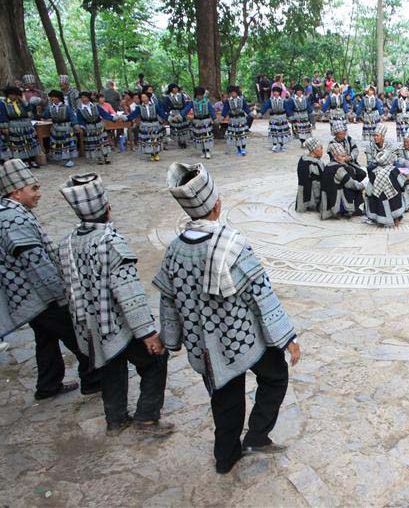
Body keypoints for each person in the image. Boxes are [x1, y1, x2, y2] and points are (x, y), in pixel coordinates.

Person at [154, 162, 300, 474]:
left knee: (225, 400)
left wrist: (171, 339)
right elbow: (261, 294)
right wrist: (287, 338)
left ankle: (226, 457)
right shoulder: (233, 245)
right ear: (217, 205)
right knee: (275, 376)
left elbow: (168, 299)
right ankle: (257, 435)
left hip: (205, 345)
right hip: (244, 337)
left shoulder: (174, 249)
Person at [57, 174, 172, 435]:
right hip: (118, 325)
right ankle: (146, 417)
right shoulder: (111, 244)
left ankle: (116, 418)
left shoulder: (67, 242)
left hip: (91, 325)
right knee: (155, 360)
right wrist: (147, 333)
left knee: (111, 366)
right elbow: (128, 294)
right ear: (107, 210)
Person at [0, 159, 100, 400]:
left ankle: (48, 385)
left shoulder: (10, 213)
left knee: (45, 339)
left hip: (30, 298)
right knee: (78, 336)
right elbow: (37, 265)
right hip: (41, 296)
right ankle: (94, 380)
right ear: (16, 191)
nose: (39, 194)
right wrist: (62, 294)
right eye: (33, 189)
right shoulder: (14, 220)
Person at [321, 141, 366, 219]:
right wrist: (363, 186)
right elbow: (351, 184)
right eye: (342, 156)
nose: (344, 158)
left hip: (328, 198)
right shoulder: (338, 169)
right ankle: (350, 209)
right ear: (335, 156)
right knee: (353, 187)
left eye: (345, 156)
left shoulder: (328, 166)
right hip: (336, 199)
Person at [364, 147, 407, 227]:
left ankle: (380, 222)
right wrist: (403, 189)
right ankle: (396, 221)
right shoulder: (394, 170)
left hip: (379, 197)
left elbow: (370, 187)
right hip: (393, 196)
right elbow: (402, 183)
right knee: (396, 200)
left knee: (377, 200)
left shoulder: (374, 172)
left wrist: (367, 194)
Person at [0, 87, 41, 168]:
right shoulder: (3, 103)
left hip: (26, 124)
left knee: (30, 142)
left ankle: (32, 160)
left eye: (15, 95)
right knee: (19, 144)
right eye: (12, 95)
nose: (14, 97)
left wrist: (23, 100)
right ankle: (24, 161)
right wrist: (5, 127)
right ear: (8, 95)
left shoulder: (21, 101)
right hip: (14, 125)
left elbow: (30, 109)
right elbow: (3, 116)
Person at [76, 91, 118, 166]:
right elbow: (80, 120)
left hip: (99, 126)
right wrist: (82, 126)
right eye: (82, 98)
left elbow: (104, 114)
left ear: (88, 98)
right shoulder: (79, 109)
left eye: (85, 97)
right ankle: (99, 158)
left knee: (103, 142)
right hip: (89, 128)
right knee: (95, 143)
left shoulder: (95, 106)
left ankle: (106, 157)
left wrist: (113, 118)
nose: (83, 99)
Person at [124, 91, 168, 162]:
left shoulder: (154, 106)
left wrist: (169, 117)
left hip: (154, 124)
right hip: (145, 125)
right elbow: (133, 115)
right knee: (148, 140)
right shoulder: (139, 107)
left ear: (148, 98)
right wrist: (124, 118)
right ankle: (151, 154)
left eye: (145, 97)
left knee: (155, 139)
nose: (143, 98)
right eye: (142, 97)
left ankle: (156, 153)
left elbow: (161, 113)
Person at [43, 90, 79, 168]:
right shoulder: (50, 107)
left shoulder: (66, 107)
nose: (53, 99)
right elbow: (45, 116)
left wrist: (76, 125)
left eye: (55, 97)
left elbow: (72, 116)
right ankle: (61, 158)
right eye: (52, 97)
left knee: (67, 143)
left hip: (66, 126)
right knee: (58, 144)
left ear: (59, 98)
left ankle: (68, 159)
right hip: (55, 128)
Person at [182, 87, 218, 160]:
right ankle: (203, 151)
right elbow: (186, 110)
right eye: (198, 95)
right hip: (197, 122)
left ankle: (207, 151)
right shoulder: (193, 102)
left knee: (206, 136)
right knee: (200, 137)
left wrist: (215, 118)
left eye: (201, 95)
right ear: (196, 95)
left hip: (206, 121)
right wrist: (180, 116)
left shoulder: (207, 102)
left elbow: (211, 111)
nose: (200, 97)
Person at [222, 86, 255, 157]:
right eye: (232, 93)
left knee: (242, 134)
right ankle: (238, 149)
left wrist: (251, 114)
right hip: (233, 120)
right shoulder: (228, 101)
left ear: (237, 93)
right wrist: (221, 117)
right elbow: (225, 110)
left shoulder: (242, 99)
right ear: (230, 93)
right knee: (236, 135)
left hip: (241, 119)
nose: (233, 94)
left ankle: (243, 149)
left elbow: (246, 108)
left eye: (234, 93)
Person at [259, 86, 292, 153]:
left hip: (282, 118)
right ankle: (274, 145)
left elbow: (287, 109)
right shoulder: (270, 100)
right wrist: (260, 113)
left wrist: (291, 117)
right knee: (274, 131)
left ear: (279, 93)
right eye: (274, 92)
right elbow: (265, 107)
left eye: (276, 92)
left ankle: (281, 145)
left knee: (281, 132)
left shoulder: (283, 100)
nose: (275, 93)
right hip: (273, 118)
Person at [296, 137, 324, 212]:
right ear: (314, 150)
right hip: (312, 195)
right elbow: (319, 182)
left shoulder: (302, 159)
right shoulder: (314, 163)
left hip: (302, 193)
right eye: (320, 148)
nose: (322, 151)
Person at [163, 83, 191, 149]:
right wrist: (169, 115)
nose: (175, 89)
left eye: (176, 88)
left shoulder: (181, 95)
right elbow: (166, 107)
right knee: (176, 128)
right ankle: (178, 141)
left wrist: (183, 113)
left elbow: (184, 105)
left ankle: (183, 141)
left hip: (181, 112)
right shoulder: (167, 97)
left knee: (183, 127)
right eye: (174, 88)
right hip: (173, 113)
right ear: (171, 89)